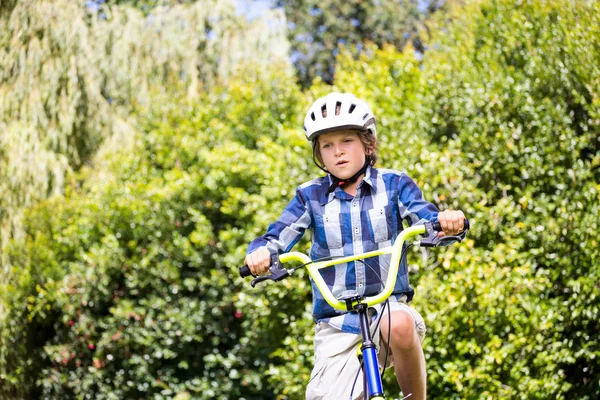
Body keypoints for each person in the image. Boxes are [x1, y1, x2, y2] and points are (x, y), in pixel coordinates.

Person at [245, 92, 466, 400]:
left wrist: (446, 222)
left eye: (347, 140)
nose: (338, 152)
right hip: (336, 324)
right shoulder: (309, 197)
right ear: (319, 155)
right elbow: (277, 236)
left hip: (386, 309)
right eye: (327, 145)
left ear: (368, 144)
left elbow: (426, 218)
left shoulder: (394, 184)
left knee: (399, 322)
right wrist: (261, 254)